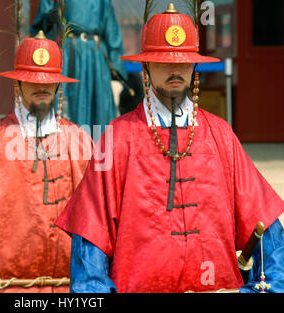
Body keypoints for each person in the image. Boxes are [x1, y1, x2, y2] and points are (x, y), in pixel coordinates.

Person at [55, 3, 284, 293]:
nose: (175, 68)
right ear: (146, 66)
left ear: (195, 66)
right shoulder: (117, 137)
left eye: (183, 60)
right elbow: (90, 254)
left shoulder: (220, 135)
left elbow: (266, 231)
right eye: (164, 60)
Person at [0, 31, 93, 293]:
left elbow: (97, 224)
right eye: (32, 81)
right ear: (17, 84)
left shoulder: (79, 140)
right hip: (6, 287)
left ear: (59, 85)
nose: (42, 87)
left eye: (49, 81)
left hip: (69, 289)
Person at [31, 0, 128, 133]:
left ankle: (99, 151)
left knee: (99, 111)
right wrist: (48, 20)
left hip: (96, 59)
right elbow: (39, 26)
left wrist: (117, 71)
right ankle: (66, 149)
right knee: (65, 108)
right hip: (67, 55)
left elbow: (112, 30)